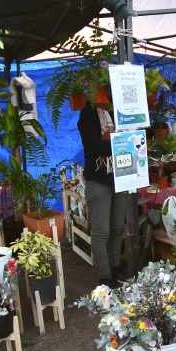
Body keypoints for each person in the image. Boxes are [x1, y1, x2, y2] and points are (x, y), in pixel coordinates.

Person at [77, 99, 126, 288]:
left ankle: (114, 268)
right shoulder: (88, 114)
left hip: (120, 176)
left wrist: (127, 142)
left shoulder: (118, 112)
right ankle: (105, 276)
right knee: (101, 231)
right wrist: (122, 145)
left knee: (116, 227)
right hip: (98, 178)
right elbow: (92, 146)